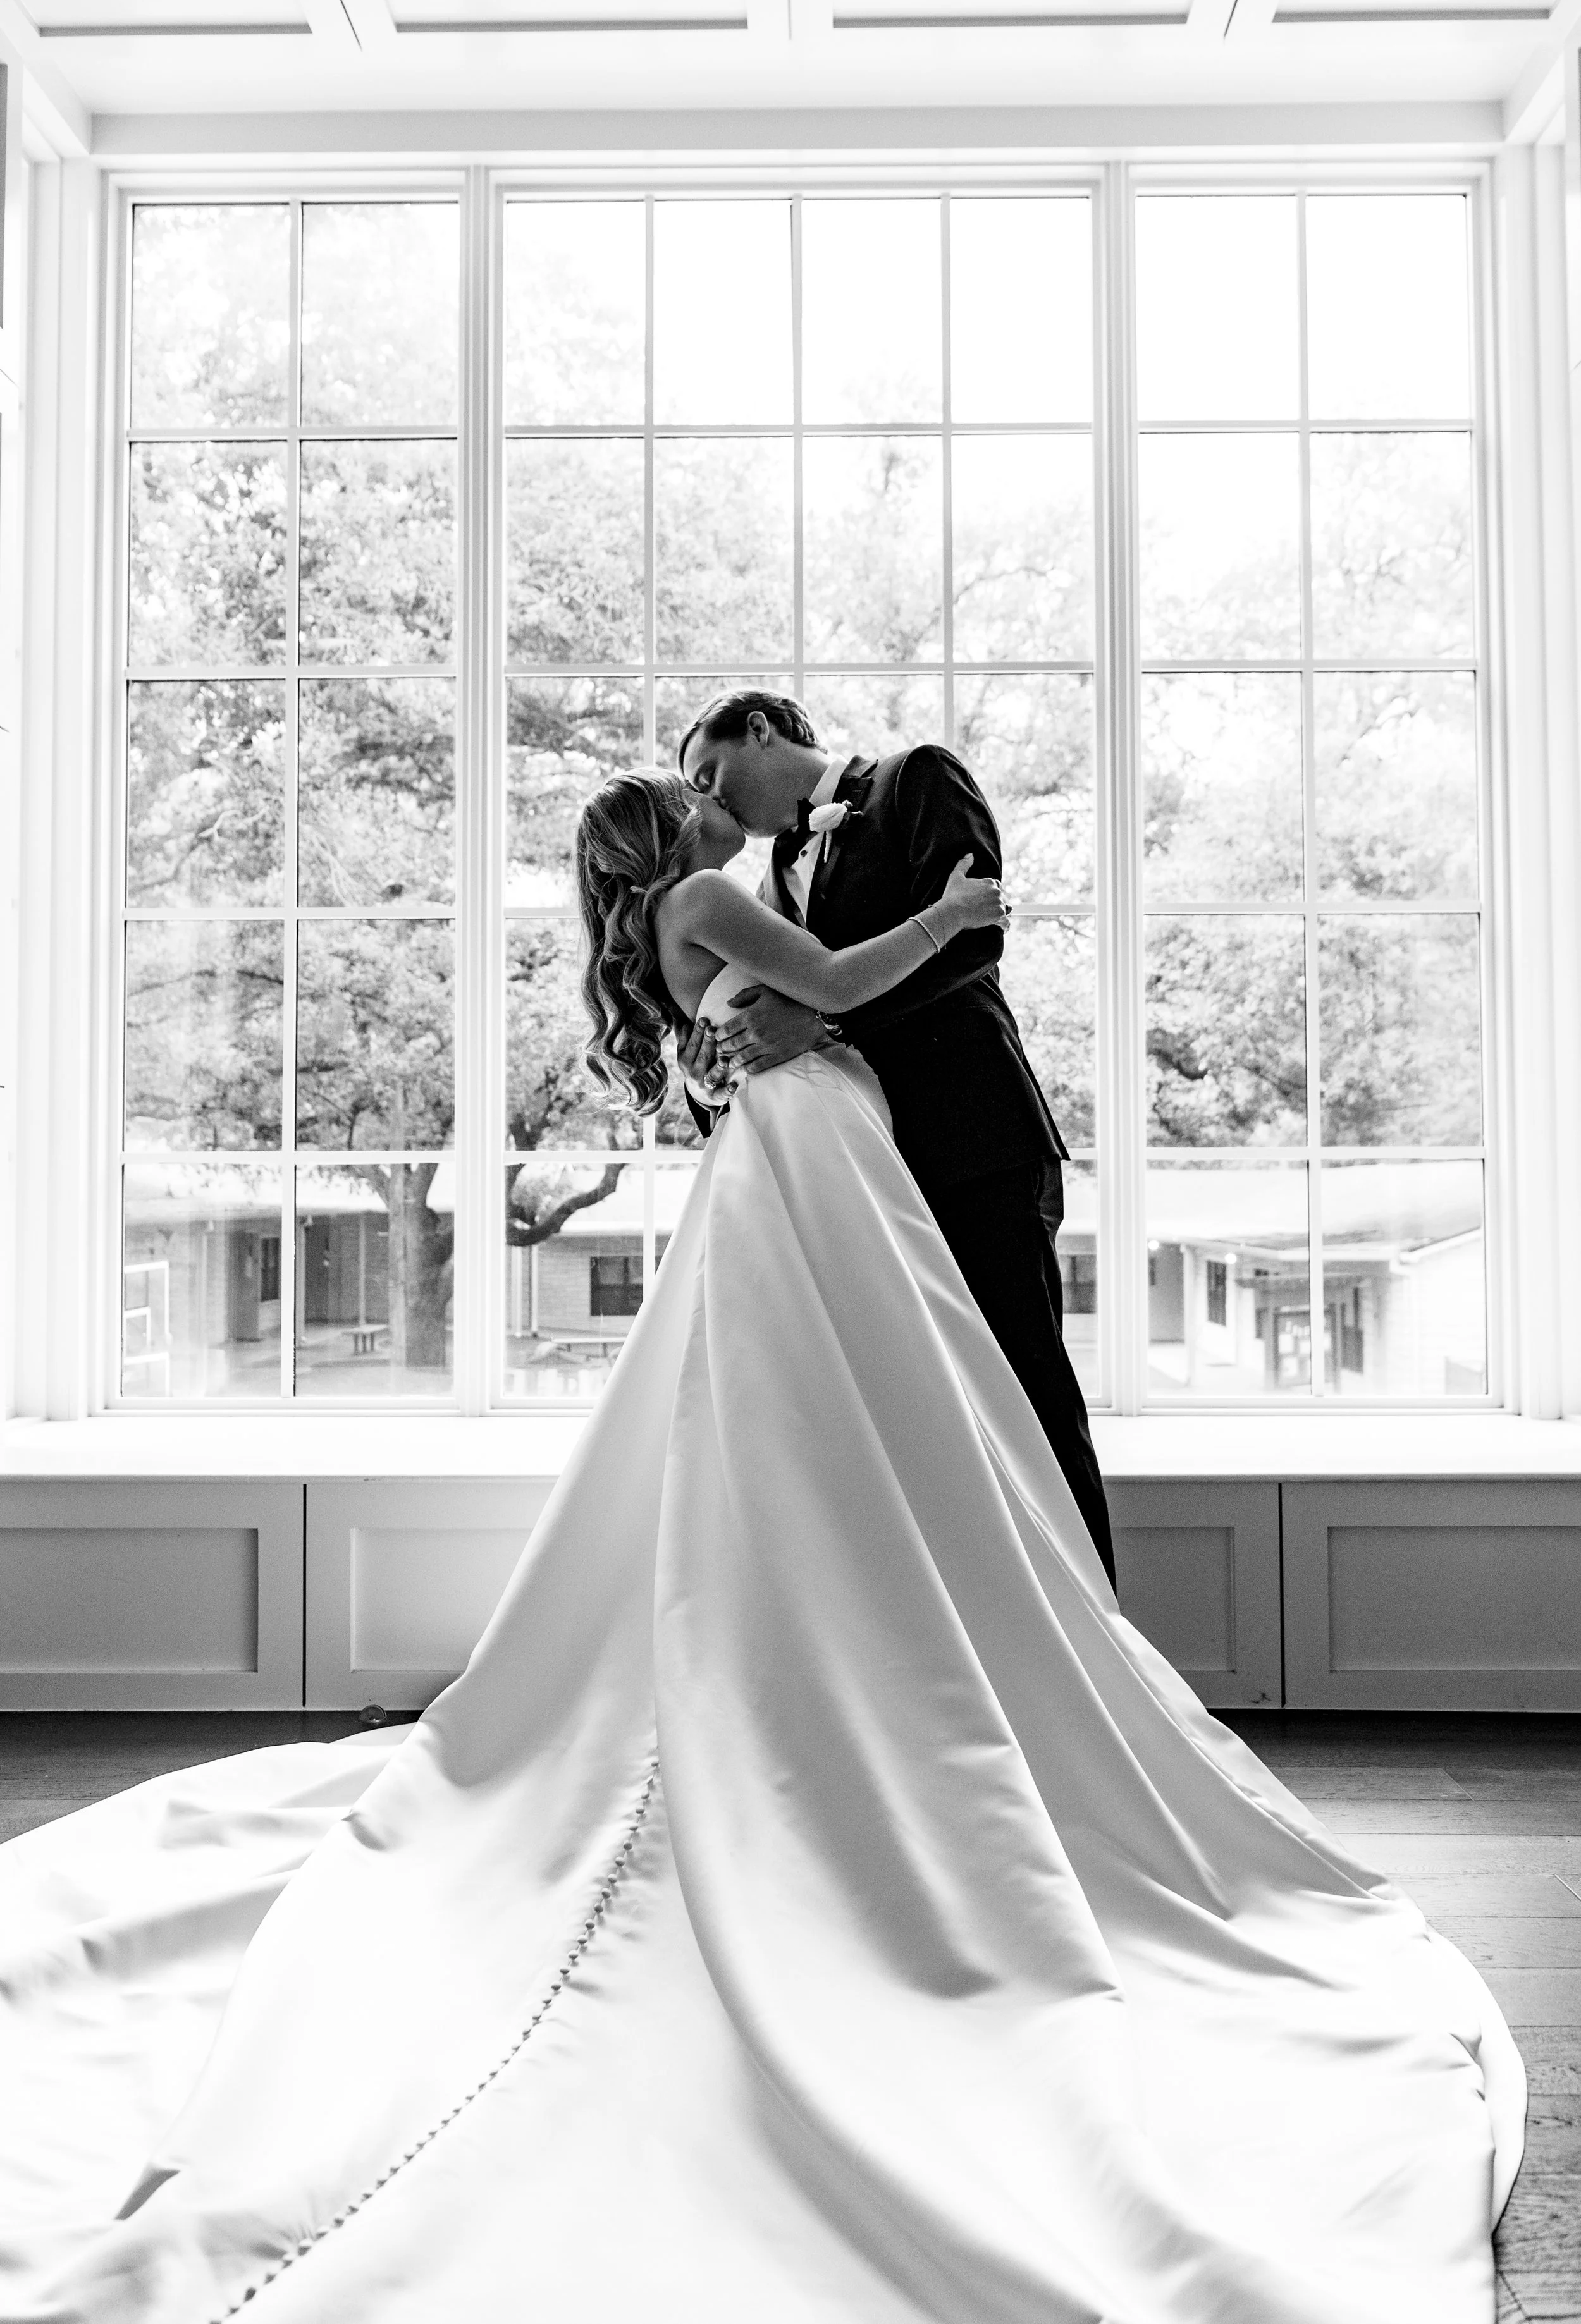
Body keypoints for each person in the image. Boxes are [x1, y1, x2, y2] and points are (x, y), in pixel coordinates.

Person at [0, 771, 1523, 2323]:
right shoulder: (706, 904)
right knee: (842, 1413)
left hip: (793, 1157)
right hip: (811, 1164)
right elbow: (847, 983)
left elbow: (782, 1023)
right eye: (690, 796)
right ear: (664, 837)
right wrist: (954, 914)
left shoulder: (671, 926)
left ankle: (806, 1666)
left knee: (813, 1421)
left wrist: (795, 1022)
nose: (713, 806)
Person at [676, 690, 1117, 1592]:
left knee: (1027, 1394)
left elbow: (975, 939)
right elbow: (771, 995)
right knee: (922, 1419)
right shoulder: (776, 870)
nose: (711, 802)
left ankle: (1103, 1650)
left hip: (975, 1143)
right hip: (868, 1173)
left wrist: (825, 1019)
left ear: (760, 728)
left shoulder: (917, 777)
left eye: (712, 774)